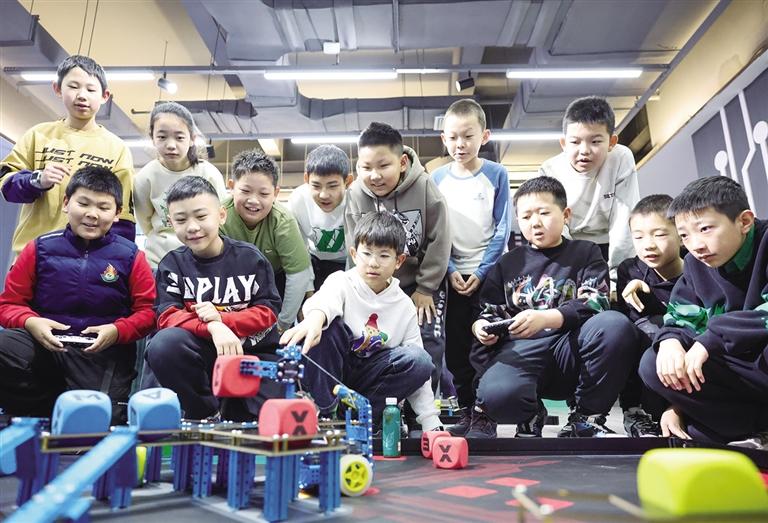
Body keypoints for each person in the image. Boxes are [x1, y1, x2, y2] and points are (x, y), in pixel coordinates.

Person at [467, 176, 637, 438]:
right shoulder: (507, 263)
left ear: (565, 214)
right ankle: (530, 411)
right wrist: (481, 326)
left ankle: (585, 417)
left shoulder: (586, 252)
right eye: (526, 217)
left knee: (615, 325)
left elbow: (596, 301)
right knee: (498, 396)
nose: (535, 222)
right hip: (522, 351)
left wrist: (547, 318)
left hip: (571, 348)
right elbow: (490, 311)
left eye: (544, 213)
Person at [0, 166, 155, 424]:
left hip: (102, 354)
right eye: (83, 203)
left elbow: (148, 313)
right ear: (66, 203)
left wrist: (117, 330)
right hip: (45, 348)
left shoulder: (131, 257)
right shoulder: (39, 248)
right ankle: (36, 410)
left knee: (98, 423)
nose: (92, 214)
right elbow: (8, 304)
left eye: (103, 207)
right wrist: (31, 321)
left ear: (117, 213)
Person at [281, 211, 441, 432]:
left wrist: (431, 421)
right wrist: (316, 318)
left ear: (399, 261)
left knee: (420, 360)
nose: (373, 263)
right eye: (366, 253)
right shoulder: (341, 281)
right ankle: (325, 413)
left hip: (370, 379)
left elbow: (419, 369)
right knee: (327, 327)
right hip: (335, 373)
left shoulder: (404, 306)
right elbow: (324, 302)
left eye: (384, 256)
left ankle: (361, 416)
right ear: (354, 254)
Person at [639, 176, 768, 446]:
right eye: (684, 235)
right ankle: (755, 432)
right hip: (743, 376)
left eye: (705, 229)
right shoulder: (696, 264)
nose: (696, 245)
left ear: (744, 221)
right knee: (654, 362)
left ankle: (737, 431)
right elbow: (681, 317)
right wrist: (671, 341)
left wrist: (712, 338)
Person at [143, 176, 281, 421]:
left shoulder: (251, 259)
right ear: (170, 223)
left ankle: (233, 406)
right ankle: (206, 412)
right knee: (163, 345)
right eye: (181, 220)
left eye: (201, 216)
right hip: (200, 356)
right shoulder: (172, 264)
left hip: (251, 356)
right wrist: (213, 327)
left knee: (262, 423)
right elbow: (167, 317)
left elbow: (268, 311)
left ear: (221, 215)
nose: (192, 227)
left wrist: (224, 320)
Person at [345, 122, 451, 394]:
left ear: (402, 162)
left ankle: (424, 408)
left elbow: (439, 237)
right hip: (375, 282)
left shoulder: (424, 186)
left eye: (383, 166)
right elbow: (354, 246)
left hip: (419, 282)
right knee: (372, 339)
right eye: (366, 167)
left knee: (427, 339)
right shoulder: (355, 194)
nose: (375, 175)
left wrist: (426, 287)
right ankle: (385, 401)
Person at [0, 54, 136, 258]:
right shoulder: (38, 135)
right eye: (73, 86)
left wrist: (116, 263)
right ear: (57, 88)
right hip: (33, 255)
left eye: (91, 89)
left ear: (104, 96)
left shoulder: (117, 148)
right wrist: (37, 180)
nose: (81, 95)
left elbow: (122, 217)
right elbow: (6, 185)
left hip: (88, 260)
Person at [430, 99, 510, 436]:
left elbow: (503, 228)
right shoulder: (436, 178)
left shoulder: (497, 174)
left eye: (468, 136)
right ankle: (466, 410)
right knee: (457, 348)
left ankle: (486, 411)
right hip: (451, 275)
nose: (459, 144)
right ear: (443, 139)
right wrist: (450, 269)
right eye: (452, 137)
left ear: (484, 136)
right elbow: (436, 231)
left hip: (488, 273)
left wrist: (481, 271)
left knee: (488, 343)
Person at [538, 96, 639, 286]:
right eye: (575, 142)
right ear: (563, 143)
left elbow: (623, 218)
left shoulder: (621, 157)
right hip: (569, 244)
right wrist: (571, 265)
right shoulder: (549, 169)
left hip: (609, 242)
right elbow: (556, 225)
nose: (584, 150)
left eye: (595, 141)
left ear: (612, 142)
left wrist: (617, 274)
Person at [219, 150, 311, 332]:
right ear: (231, 186)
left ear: (275, 193)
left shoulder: (283, 221)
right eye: (245, 191)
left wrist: (283, 324)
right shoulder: (219, 215)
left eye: (263, 193)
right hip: (230, 280)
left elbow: (298, 275)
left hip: (275, 280)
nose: (253, 200)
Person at [616, 194, 684, 436]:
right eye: (639, 236)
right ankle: (635, 411)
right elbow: (631, 323)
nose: (648, 245)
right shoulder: (630, 269)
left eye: (660, 234)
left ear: (681, 234)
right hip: (650, 358)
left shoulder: (697, 267)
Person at [133, 102, 227, 268]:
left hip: (204, 259)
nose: (171, 145)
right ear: (152, 138)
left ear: (192, 139)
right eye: (162, 137)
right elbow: (145, 222)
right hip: (159, 260)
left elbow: (221, 217)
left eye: (179, 137)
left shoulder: (208, 173)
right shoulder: (145, 177)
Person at [288, 144, 351, 290]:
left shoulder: (356, 200)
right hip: (313, 262)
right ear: (306, 179)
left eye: (332, 186)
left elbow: (358, 252)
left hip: (347, 263)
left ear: (347, 181)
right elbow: (299, 249)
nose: (324, 195)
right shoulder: (298, 199)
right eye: (316, 186)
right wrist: (308, 287)